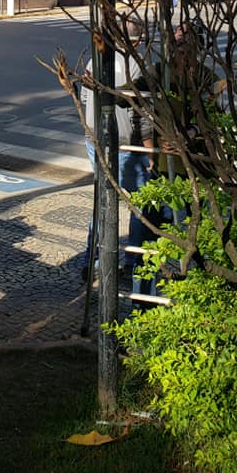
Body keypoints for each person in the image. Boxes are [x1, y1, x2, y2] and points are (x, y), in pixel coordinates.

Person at [80, 19, 149, 281]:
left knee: (103, 198)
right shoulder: (136, 67)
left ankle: (93, 260)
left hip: (94, 139)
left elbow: (84, 98)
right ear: (138, 42)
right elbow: (140, 113)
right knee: (141, 202)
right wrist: (150, 151)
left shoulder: (95, 60)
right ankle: (133, 261)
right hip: (125, 145)